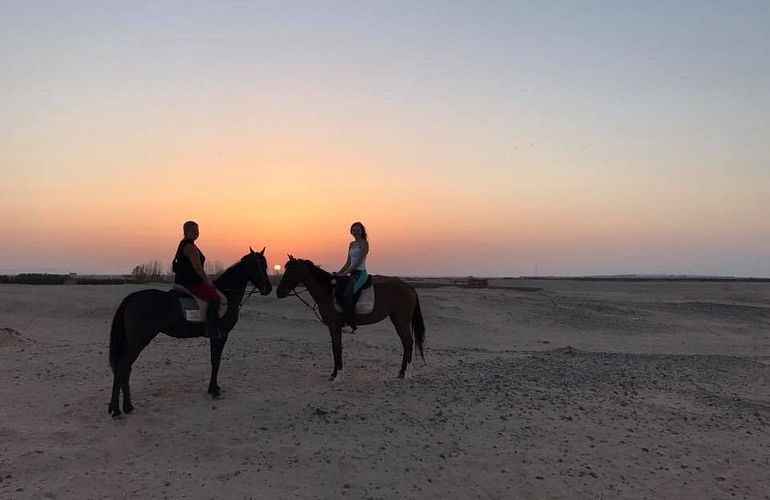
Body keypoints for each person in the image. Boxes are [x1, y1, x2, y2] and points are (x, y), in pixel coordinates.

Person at [172, 221, 221, 337]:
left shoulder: (183, 244)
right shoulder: (190, 247)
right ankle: (210, 328)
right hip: (192, 282)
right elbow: (197, 268)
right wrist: (207, 281)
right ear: (186, 232)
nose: (196, 233)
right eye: (193, 231)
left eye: (197, 231)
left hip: (182, 280)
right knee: (215, 298)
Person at [333, 221, 369, 333]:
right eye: (354, 230)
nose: (356, 232)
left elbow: (358, 262)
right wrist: (339, 273)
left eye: (358, 230)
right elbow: (348, 262)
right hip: (352, 273)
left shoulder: (364, 243)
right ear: (351, 232)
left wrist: (346, 273)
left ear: (362, 231)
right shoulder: (351, 244)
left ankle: (351, 324)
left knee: (348, 293)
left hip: (360, 274)